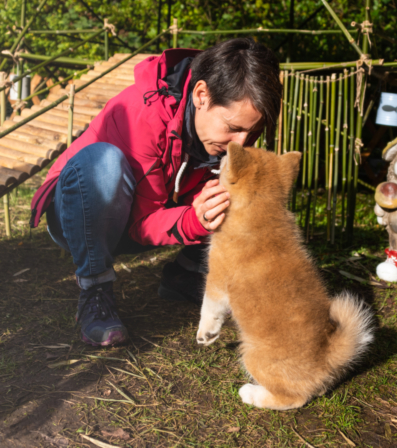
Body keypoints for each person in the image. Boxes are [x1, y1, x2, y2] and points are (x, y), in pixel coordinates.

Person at [30, 38, 282, 346]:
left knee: (245, 184)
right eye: (232, 128)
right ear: (201, 95)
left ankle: (186, 274)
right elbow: (140, 224)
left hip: (146, 217)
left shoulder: (221, 134)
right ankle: (95, 293)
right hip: (79, 217)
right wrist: (194, 219)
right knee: (104, 165)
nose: (240, 143)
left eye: (252, 132)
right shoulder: (143, 113)